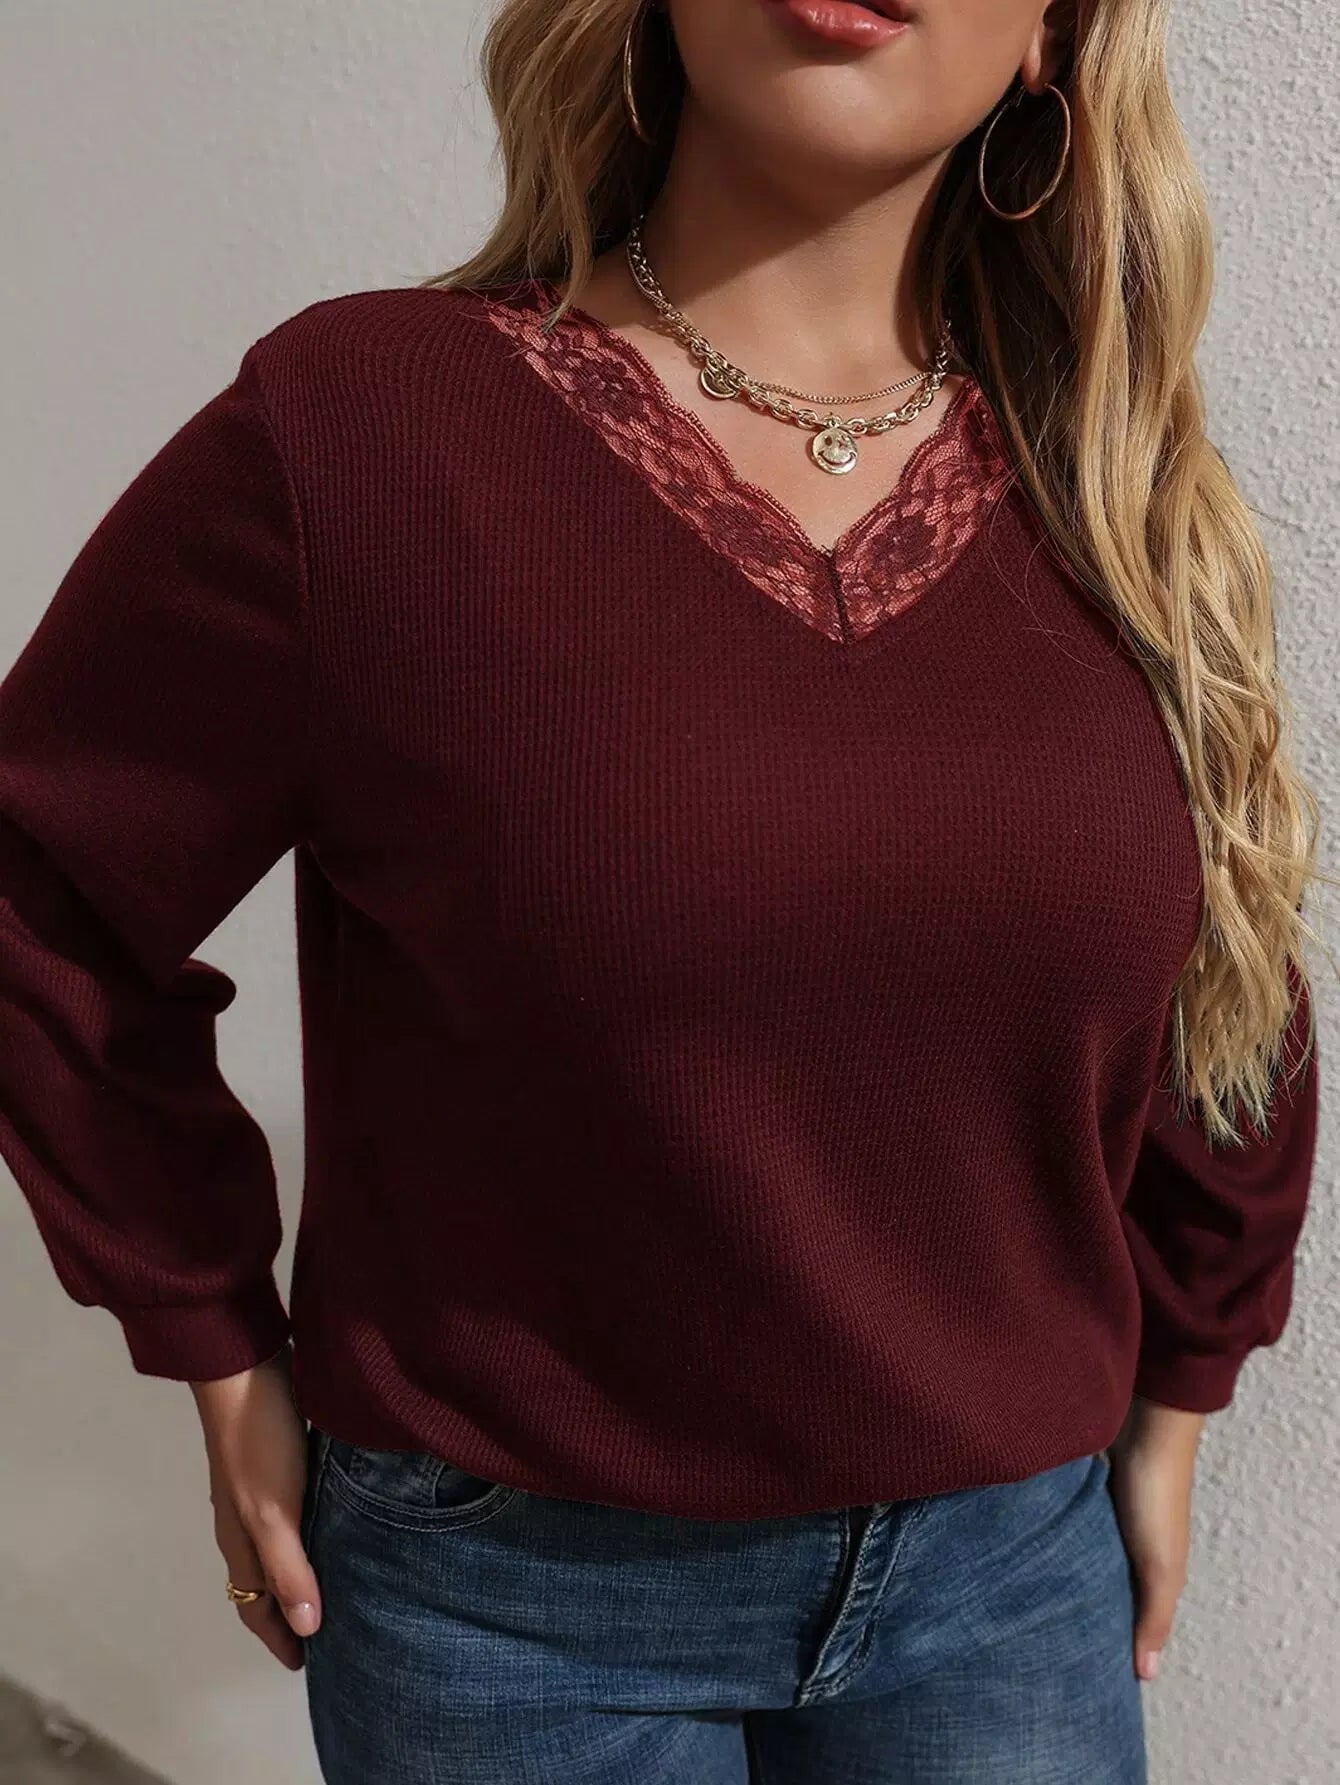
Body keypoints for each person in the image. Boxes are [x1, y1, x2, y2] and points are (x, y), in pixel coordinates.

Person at [0, 0, 1325, 1780]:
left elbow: (1227, 987)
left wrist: (1181, 1390)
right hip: (510, 1609)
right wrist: (212, 1333)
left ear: (1053, 42)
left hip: (1010, 1582)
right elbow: (42, 886)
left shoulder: (1124, 493)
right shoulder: (365, 430)